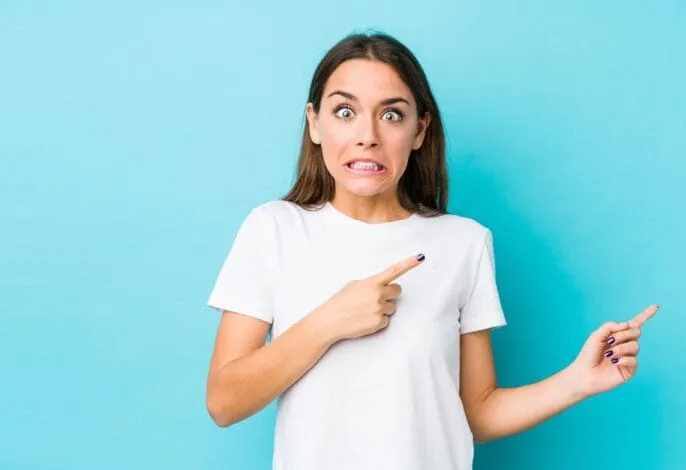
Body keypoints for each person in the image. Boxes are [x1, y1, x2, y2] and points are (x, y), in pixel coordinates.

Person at [205, 31, 659, 470]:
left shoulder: (464, 243)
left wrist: (576, 381)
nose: (367, 135)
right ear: (314, 123)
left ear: (420, 129)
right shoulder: (274, 230)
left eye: (391, 115)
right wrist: (329, 321)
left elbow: (476, 413)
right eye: (345, 112)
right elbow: (224, 401)